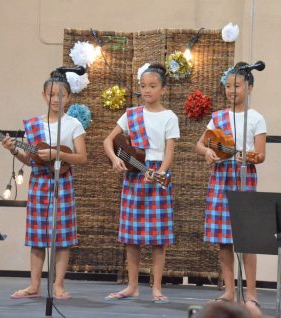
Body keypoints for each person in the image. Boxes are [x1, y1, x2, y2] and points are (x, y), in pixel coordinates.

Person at [2, 71, 87, 300]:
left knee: (63, 238)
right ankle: (34, 285)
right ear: (44, 96)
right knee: (38, 238)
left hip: (63, 182)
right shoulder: (33, 125)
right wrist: (13, 149)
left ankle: (58, 285)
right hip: (39, 182)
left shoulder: (73, 124)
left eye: (61, 95)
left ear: (68, 96)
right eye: (51, 95)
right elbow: (32, 160)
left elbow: (82, 157)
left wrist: (57, 153)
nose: (56, 99)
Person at [103, 63, 179, 302]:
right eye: (143, 86)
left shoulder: (169, 117)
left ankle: (156, 287)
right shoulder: (131, 114)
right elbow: (108, 141)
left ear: (163, 89)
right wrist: (115, 159)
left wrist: (160, 173)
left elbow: (169, 153)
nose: (147, 90)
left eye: (153, 86)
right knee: (131, 237)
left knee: (158, 238)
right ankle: (132, 286)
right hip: (134, 176)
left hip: (156, 176)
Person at [195, 62, 266, 306]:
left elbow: (260, 154)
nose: (231, 90)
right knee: (224, 239)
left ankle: (252, 293)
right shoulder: (218, 118)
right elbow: (200, 145)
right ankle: (229, 290)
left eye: (236, 86)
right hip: (220, 179)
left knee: (247, 237)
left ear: (250, 88)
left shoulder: (256, 118)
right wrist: (207, 153)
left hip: (244, 178)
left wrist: (241, 155)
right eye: (227, 86)